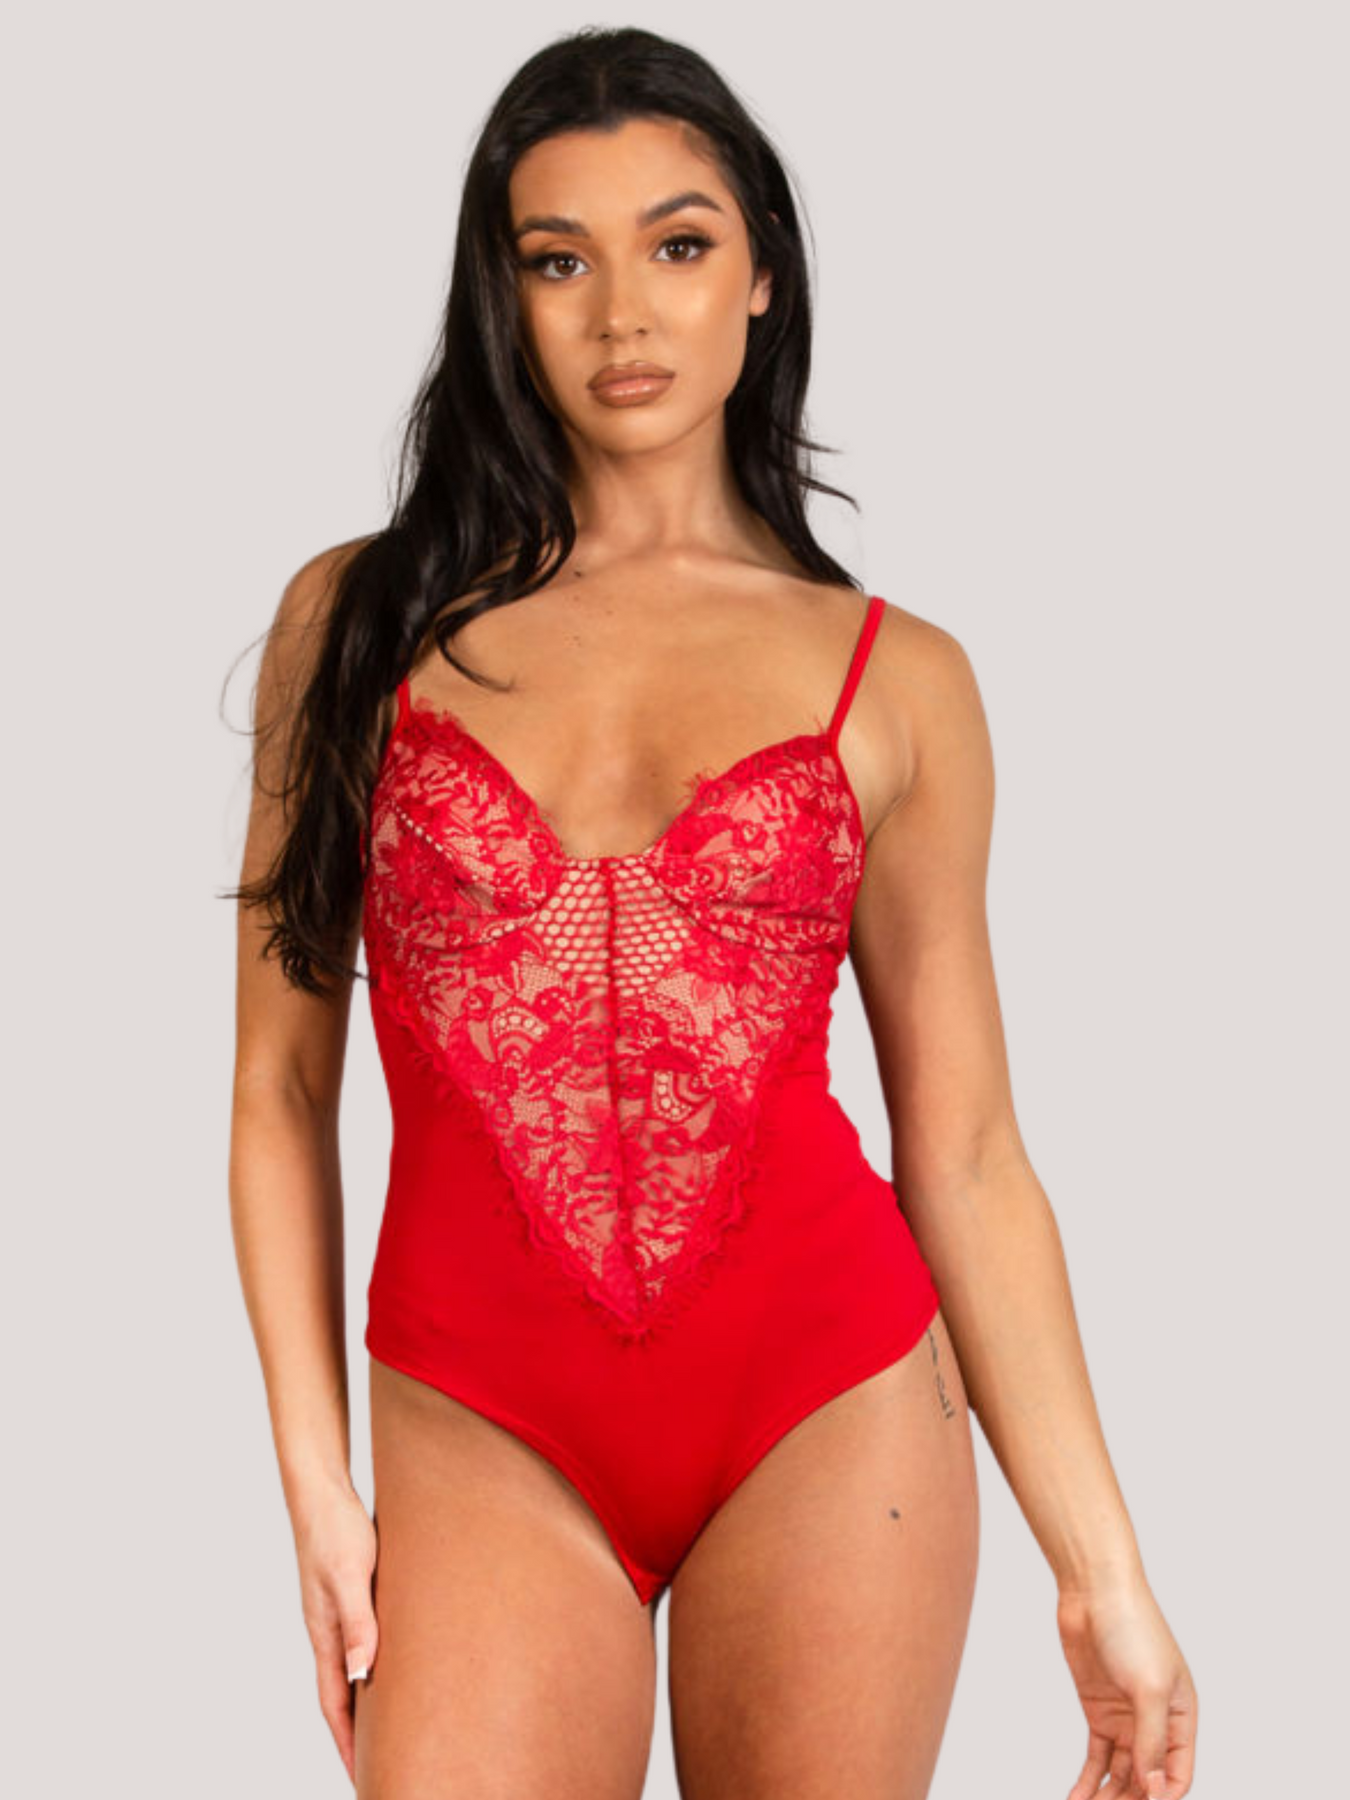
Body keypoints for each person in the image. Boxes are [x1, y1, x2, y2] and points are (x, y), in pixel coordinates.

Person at [226, 25, 1197, 1800]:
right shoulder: (354, 628)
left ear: (760, 273)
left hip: (830, 1399)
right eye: (558, 259)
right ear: (500, 296)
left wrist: (1102, 1574)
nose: (623, 314)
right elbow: (281, 1090)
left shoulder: (896, 676)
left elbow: (966, 1152)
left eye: (677, 245)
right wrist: (312, 1477)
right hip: (475, 1417)